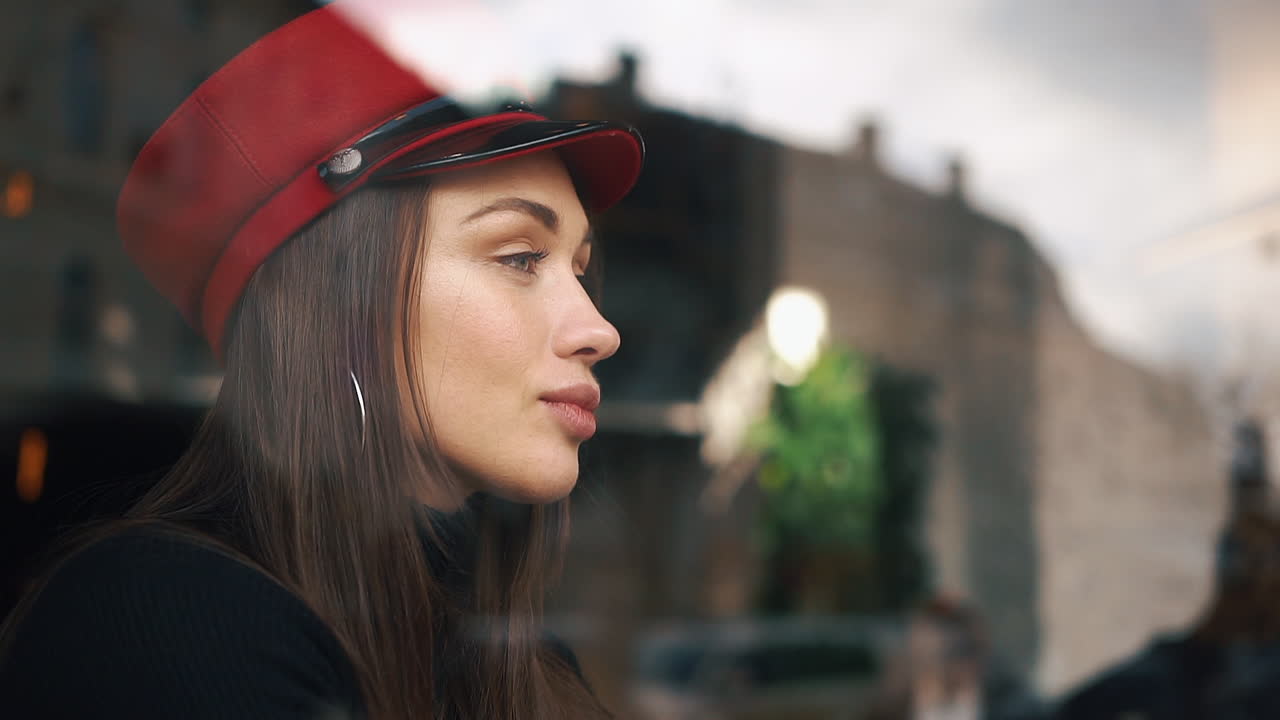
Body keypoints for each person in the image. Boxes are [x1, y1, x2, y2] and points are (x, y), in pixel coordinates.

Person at [0, 4, 643, 720]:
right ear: (340, 311)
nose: (599, 330)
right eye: (520, 257)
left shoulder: (523, 663)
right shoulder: (167, 617)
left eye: (578, 269)